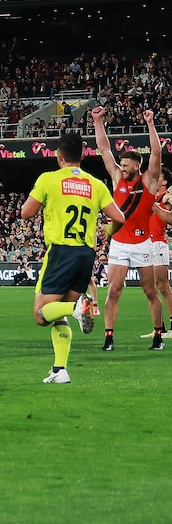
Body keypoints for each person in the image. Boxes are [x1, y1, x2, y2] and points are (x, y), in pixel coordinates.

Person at [20, 131, 125, 383]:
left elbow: (26, 213)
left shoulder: (49, 179)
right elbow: (119, 218)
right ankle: (60, 370)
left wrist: (47, 203)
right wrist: (108, 230)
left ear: (59, 157)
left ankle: (79, 307)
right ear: (83, 155)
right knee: (59, 314)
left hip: (61, 252)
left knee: (41, 313)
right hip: (85, 255)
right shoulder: (96, 184)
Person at [91, 107, 165, 351]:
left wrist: (150, 123)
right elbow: (104, 149)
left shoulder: (149, 181)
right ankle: (109, 338)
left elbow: (156, 151)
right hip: (120, 243)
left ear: (137, 165)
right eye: (121, 164)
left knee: (150, 291)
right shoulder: (117, 179)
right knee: (113, 291)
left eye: (126, 164)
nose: (121, 167)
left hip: (142, 243)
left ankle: (158, 335)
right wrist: (98, 121)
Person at [141, 166, 172, 339]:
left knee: (163, 286)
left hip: (158, 243)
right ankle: (159, 327)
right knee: (151, 288)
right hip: (146, 243)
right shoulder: (149, 197)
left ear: (165, 181)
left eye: (158, 176)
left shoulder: (166, 196)